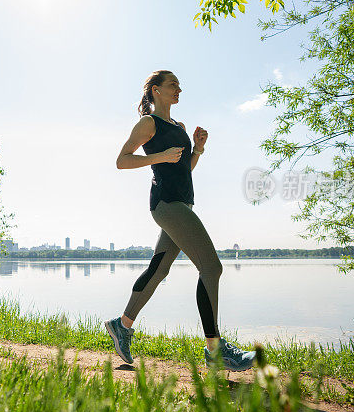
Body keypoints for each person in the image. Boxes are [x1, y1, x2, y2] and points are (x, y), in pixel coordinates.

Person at [104, 70, 256, 372]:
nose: (179, 90)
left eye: (179, 86)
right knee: (212, 267)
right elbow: (122, 160)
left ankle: (121, 326)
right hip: (166, 204)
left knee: (159, 270)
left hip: (181, 202)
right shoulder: (148, 123)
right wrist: (157, 157)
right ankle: (215, 349)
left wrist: (197, 148)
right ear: (156, 90)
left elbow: (184, 168)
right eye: (173, 85)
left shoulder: (179, 127)